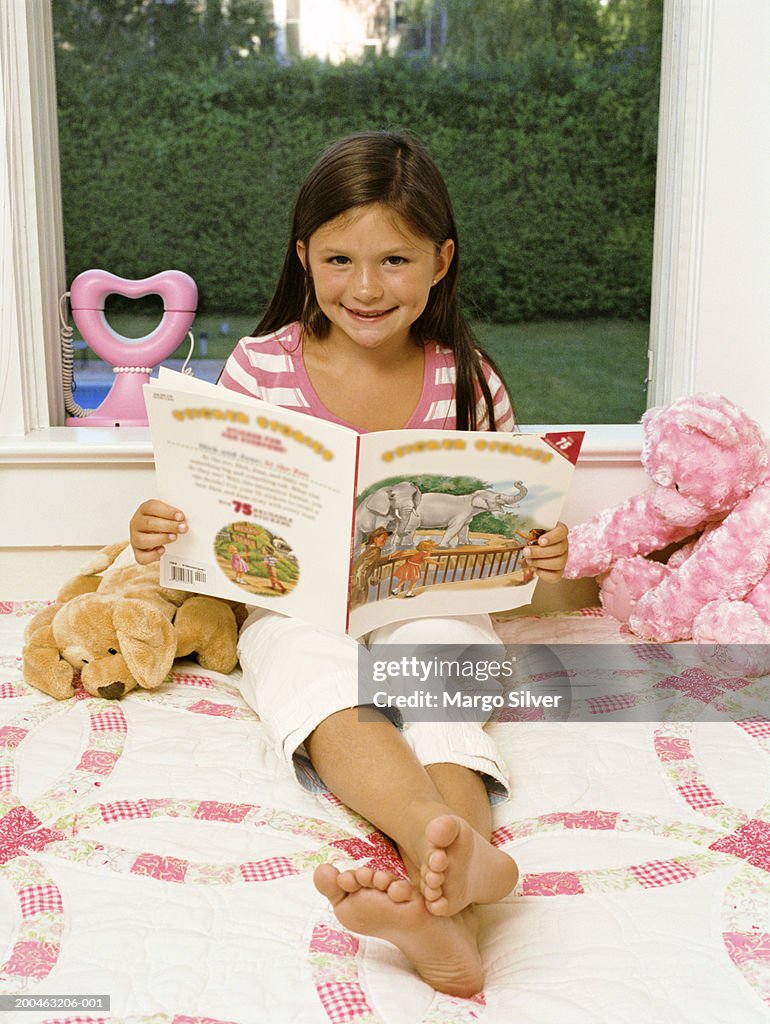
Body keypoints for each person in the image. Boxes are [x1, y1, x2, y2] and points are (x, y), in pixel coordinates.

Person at [129, 130, 569, 998]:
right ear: (303, 257)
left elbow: (509, 537)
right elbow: (215, 509)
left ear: (441, 261)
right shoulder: (259, 369)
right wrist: (161, 533)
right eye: (338, 258)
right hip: (296, 601)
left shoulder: (467, 380)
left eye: (396, 259)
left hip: (425, 598)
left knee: (442, 665)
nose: (366, 288)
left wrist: (538, 552)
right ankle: (449, 858)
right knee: (309, 673)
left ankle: (448, 890)